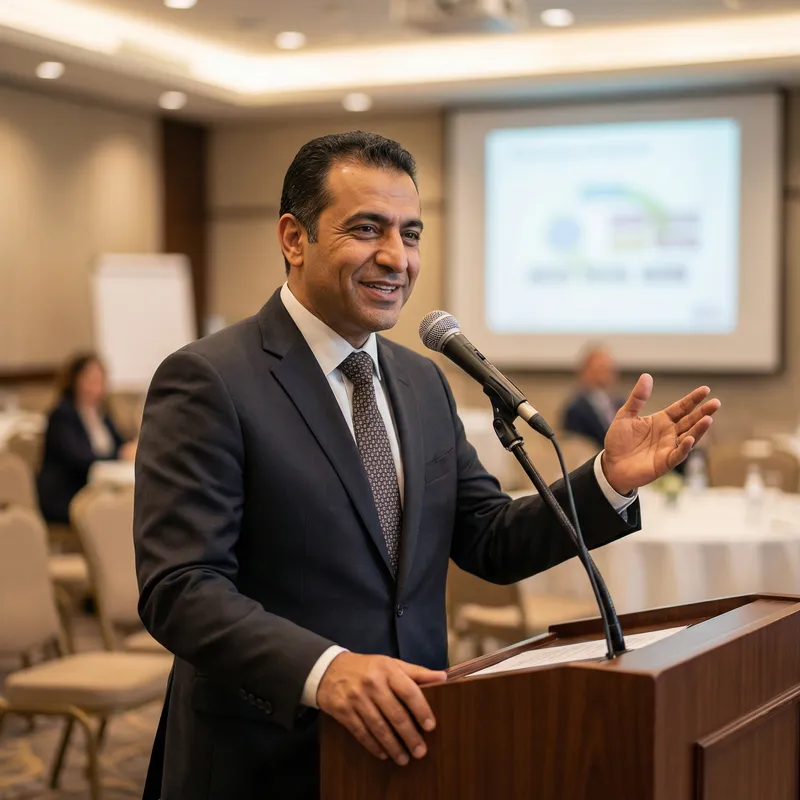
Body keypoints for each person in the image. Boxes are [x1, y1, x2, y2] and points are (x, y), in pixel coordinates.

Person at [133, 132, 720, 800]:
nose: (396, 258)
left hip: (409, 740)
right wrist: (325, 671)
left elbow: (489, 540)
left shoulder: (420, 381)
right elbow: (181, 586)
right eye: (366, 229)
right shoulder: (211, 379)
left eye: (410, 235)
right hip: (263, 756)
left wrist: (608, 481)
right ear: (294, 239)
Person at [37, 353, 136, 524]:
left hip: (98, 487)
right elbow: (79, 458)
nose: (96, 386)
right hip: (70, 492)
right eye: (90, 379)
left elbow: (120, 443)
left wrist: (130, 448)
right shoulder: (62, 415)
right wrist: (120, 454)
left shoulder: (101, 413)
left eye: (100, 379)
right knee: (118, 510)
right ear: (75, 381)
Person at [561, 345, 624, 449]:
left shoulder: (620, 403)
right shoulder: (576, 409)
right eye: (601, 368)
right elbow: (574, 447)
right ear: (585, 371)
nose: (608, 373)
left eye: (610, 368)